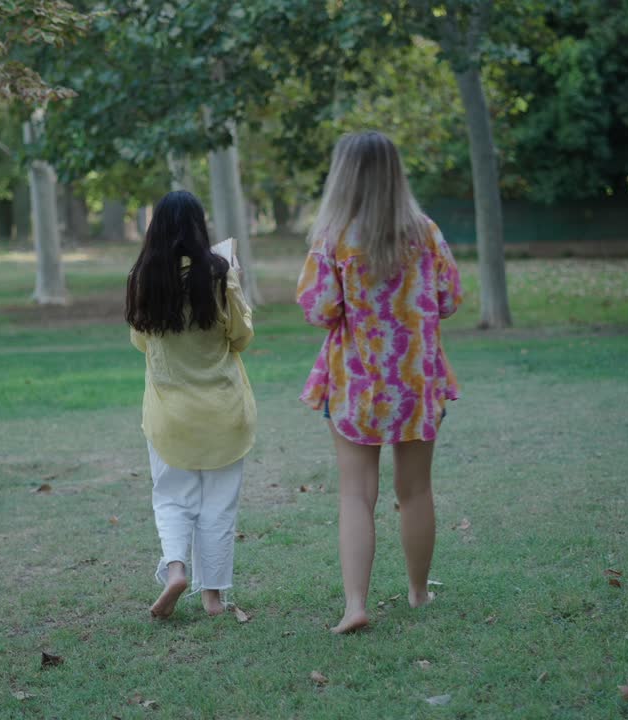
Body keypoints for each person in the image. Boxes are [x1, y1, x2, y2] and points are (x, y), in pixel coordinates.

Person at [295, 131, 463, 634]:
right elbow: (450, 299)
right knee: (415, 490)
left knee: (355, 493)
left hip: (356, 383)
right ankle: (418, 593)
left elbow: (318, 309)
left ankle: (355, 605)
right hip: (416, 380)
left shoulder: (333, 238)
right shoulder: (426, 234)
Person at [126, 190, 256, 619]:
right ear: (200, 227)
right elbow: (241, 337)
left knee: (171, 498)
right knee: (219, 504)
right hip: (224, 412)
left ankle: (177, 570)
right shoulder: (219, 275)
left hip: (169, 416)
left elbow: (141, 341)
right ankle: (213, 598)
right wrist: (234, 282)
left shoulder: (143, 279)